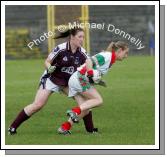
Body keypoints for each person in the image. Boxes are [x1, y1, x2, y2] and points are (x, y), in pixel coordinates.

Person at [8, 27, 97, 135]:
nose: (82, 39)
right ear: (72, 37)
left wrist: (91, 72)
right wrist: (49, 67)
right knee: (38, 104)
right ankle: (12, 127)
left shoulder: (81, 51)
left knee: (85, 104)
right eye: (80, 37)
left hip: (67, 83)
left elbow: (88, 61)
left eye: (83, 37)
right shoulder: (60, 48)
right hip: (52, 79)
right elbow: (47, 61)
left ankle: (90, 131)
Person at [58, 41, 129, 134]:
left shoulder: (111, 58)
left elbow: (95, 70)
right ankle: (74, 111)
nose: (126, 56)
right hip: (80, 78)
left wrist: (98, 81)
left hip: (78, 78)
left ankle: (64, 128)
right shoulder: (107, 56)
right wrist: (91, 73)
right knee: (98, 100)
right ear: (120, 50)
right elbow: (89, 61)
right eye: (126, 53)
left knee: (85, 109)